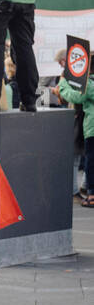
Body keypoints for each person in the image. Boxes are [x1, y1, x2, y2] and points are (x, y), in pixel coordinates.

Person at [57, 71, 94, 208]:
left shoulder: (88, 83)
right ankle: (85, 188)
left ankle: (90, 193)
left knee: (87, 159)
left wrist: (62, 85)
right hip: (86, 122)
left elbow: (78, 97)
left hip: (90, 125)